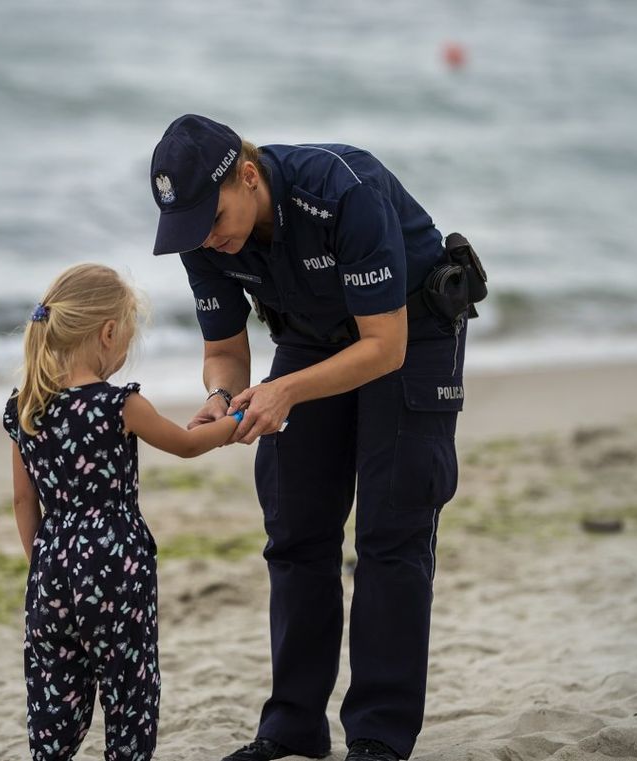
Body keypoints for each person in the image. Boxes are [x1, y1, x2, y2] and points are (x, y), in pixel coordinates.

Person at [148, 115, 485, 761]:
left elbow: (384, 347)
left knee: (392, 530)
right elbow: (223, 348)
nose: (206, 238)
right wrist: (223, 395)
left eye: (212, 219)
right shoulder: (203, 233)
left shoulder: (340, 191)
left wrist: (287, 389)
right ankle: (293, 724)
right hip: (309, 333)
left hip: (411, 332)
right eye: (191, 227)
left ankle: (379, 736)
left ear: (247, 176)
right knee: (295, 530)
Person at [2, 263, 240, 761]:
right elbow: (188, 445)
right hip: (114, 566)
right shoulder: (120, 405)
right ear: (108, 333)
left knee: (55, 685)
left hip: (51, 567)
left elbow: (25, 501)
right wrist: (239, 418)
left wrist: (42, 562)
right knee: (128, 684)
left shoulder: (25, 408)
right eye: (127, 339)